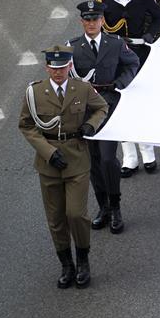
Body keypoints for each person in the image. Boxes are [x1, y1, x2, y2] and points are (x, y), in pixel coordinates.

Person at [18, 45, 109, 288]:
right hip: (49, 162)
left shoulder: (82, 88)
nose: (58, 72)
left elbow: (101, 107)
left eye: (62, 67)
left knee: (76, 214)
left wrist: (91, 125)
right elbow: (26, 125)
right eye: (53, 68)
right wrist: (48, 151)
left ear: (69, 66)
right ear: (47, 67)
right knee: (56, 218)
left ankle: (83, 260)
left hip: (77, 159)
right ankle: (66, 265)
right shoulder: (35, 92)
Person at [68, 1, 140, 234]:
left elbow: (133, 63)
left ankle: (116, 207)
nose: (91, 23)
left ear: (102, 21)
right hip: (85, 111)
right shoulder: (73, 47)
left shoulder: (116, 43)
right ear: (82, 22)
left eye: (95, 19)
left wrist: (121, 83)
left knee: (108, 159)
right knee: (93, 162)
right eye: (87, 20)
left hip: (109, 106)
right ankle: (104, 207)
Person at [96, 0, 160, 177]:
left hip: (138, 53)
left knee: (140, 100)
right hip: (114, 56)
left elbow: (158, 16)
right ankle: (129, 155)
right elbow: (96, 27)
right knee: (119, 102)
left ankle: (147, 149)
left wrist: (149, 34)